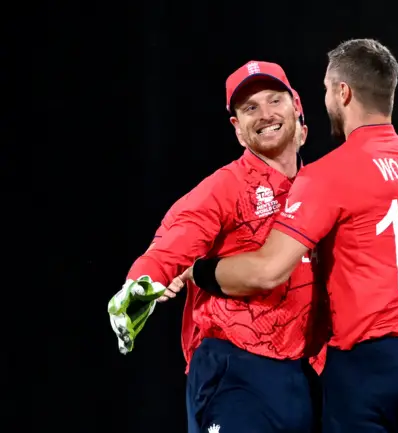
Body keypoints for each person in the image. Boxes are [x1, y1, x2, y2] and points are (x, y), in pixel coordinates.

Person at [191, 39, 398, 433]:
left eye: (324, 91)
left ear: (343, 92)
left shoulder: (331, 173)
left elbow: (268, 271)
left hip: (370, 363)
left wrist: (198, 272)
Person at [110, 60, 327, 433]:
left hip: (308, 373)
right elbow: (172, 244)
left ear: (297, 108)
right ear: (238, 130)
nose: (265, 114)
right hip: (236, 371)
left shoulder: (325, 187)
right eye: (250, 108)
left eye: (275, 100)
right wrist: (141, 281)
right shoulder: (224, 187)